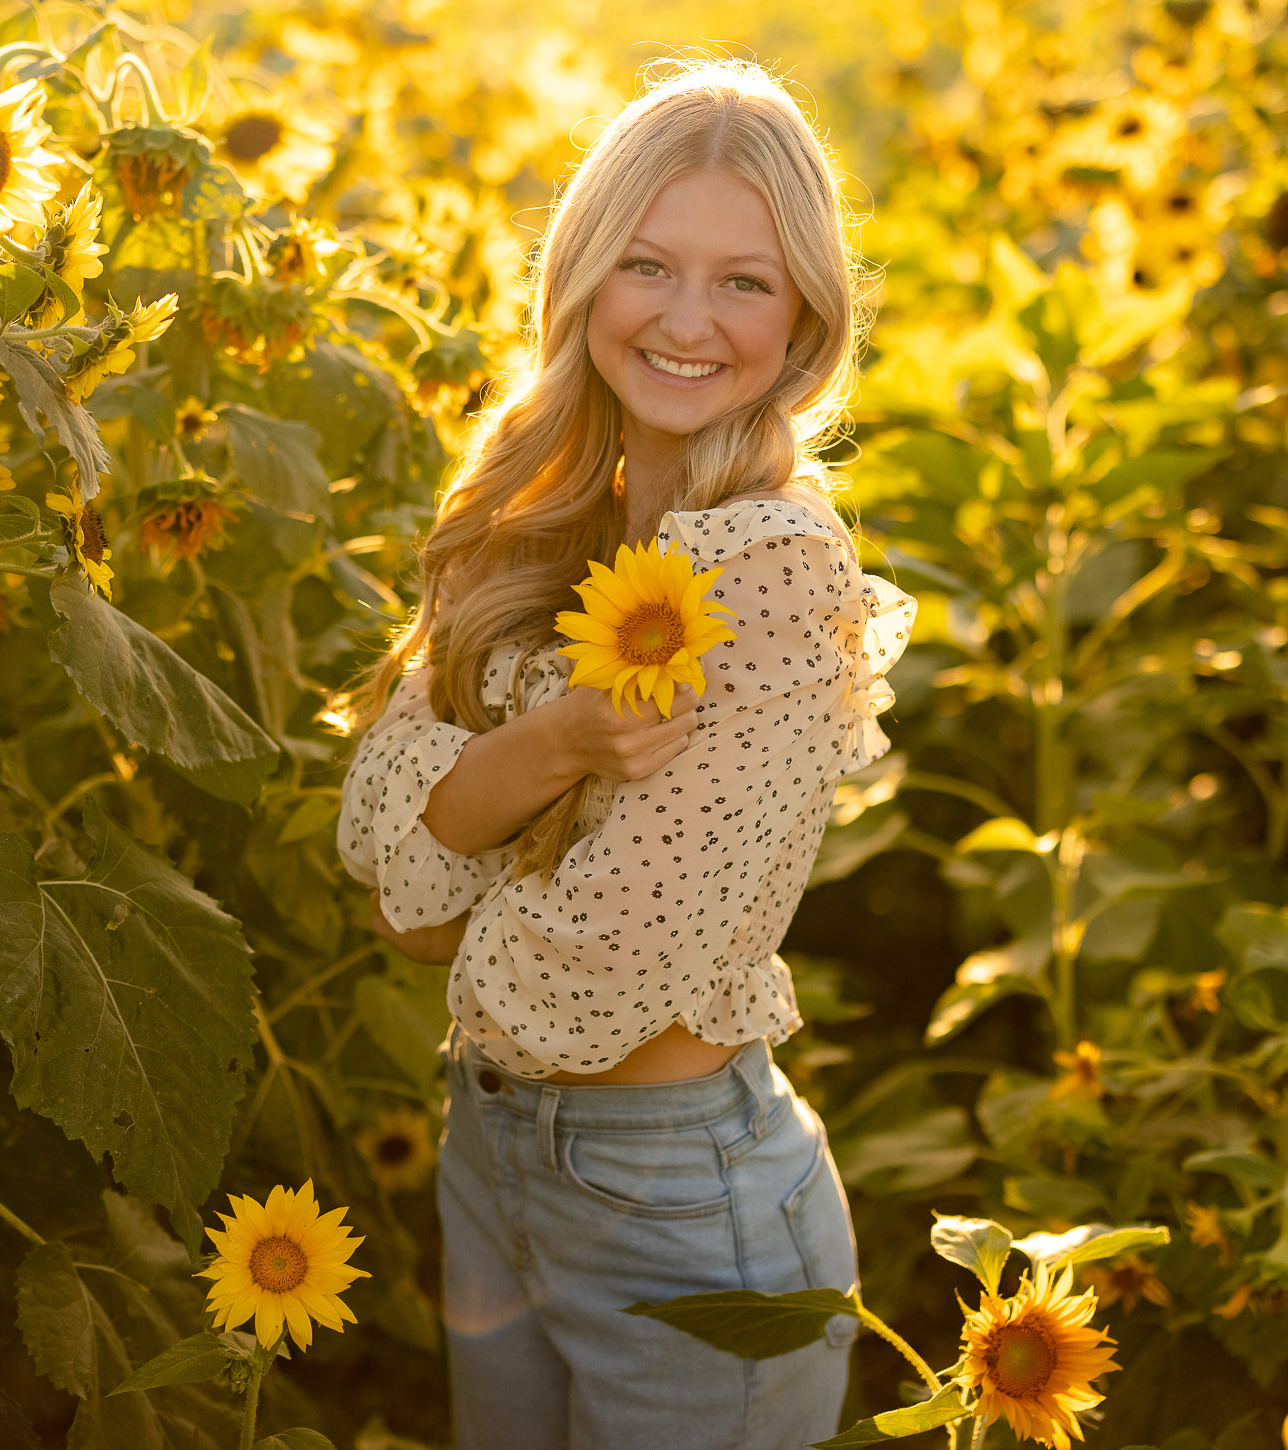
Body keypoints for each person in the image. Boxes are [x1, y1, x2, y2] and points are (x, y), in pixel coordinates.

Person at [335, 57, 917, 1450]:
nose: (684, 320)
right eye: (646, 264)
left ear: (802, 322)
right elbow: (374, 837)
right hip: (491, 1154)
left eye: (742, 283)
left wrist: (462, 818)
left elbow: (591, 964)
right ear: (584, 275)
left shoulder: (773, 563)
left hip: (675, 1197)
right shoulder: (535, 519)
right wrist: (552, 743)